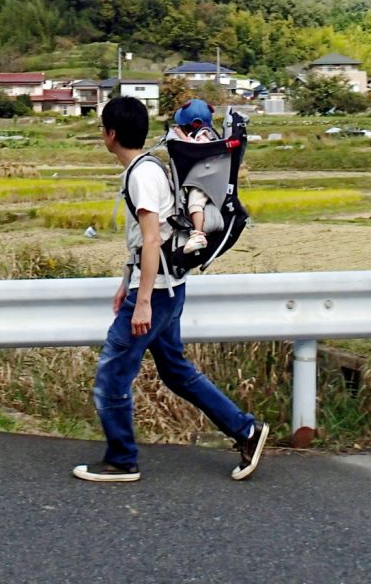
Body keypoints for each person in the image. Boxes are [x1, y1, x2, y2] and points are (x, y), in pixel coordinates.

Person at [72, 95, 269, 484]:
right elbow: (147, 240)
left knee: (111, 377)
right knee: (177, 372)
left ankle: (122, 459)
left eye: (102, 129)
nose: (102, 135)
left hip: (157, 292)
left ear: (111, 135)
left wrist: (141, 300)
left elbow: (150, 241)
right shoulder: (146, 167)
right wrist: (124, 283)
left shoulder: (142, 175)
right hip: (168, 286)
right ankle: (246, 430)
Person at [169, 98, 219, 255]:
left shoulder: (203, 136)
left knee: (194, 203)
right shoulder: (204, 133)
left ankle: (198, 235)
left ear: (194, 124)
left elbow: (196, 148)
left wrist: (181, 137)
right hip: (202, 176)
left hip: (205, 181)